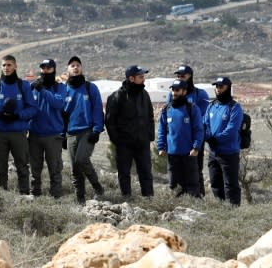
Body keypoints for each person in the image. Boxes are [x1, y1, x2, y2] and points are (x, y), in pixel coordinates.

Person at [0, 54, 37, 194]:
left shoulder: (23, 85)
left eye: (9, 65)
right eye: (4, 65)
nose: (6, 68)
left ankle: (24, 194)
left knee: (22, 166)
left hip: (18, 132)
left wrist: (18, 115)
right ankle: (1, 194)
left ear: (15, 66)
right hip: (0, 132)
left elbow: (32, 108)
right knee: (0, 167)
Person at [105, 65, 155, 198]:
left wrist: (150, 136)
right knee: (124, 173)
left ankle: (149, 198)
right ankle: (127, 198)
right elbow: (110, 121)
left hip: (142, 142)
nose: (143, 79)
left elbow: (150, 116)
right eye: (140, 77)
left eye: (143, 76)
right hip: (124, 144)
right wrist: (117, 140)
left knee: (145, 172)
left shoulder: (144, 94)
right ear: (131, 78)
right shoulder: (116, 96)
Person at [61, 56, 105, 203]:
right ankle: (80, 198)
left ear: (81, 68)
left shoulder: (90, 87)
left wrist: (97, 130)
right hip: (70, 133)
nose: (75, 67)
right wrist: (63, 135)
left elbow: (98, 109)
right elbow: (62, 114)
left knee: (81, 159)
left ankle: (98, 188)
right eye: (72, 65)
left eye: (78, 65)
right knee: (74, 168)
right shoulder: (63, 89)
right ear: (68, 69)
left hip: (87, 131)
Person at [166, 65, 210, 195]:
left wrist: (196, 139)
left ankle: (199, 197)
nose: (180, 78)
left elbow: (204, 118)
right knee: (176, 170)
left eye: (183, 75)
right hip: (178, 141)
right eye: (178, 76)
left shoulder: (200, 94)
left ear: (190, 76)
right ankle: (179, 197)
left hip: (195, 139)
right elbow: (169, 113)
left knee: (196, 169)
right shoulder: (172, 94)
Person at [27, 59, 67, 199]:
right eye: (43, 68)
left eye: (48, 68)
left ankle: (55, 199)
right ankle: (35, 196)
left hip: (53, 136)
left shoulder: (60, 87)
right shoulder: (34, 87)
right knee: (35, 170)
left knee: (55, 170)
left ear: (54, 69)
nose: (45, 70)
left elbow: (58, 103)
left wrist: (42, 90)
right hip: (34, 135)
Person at [157, 79, 203, 198]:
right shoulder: (166, 109)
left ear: (184, 91)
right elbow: (162, 129)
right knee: (174, 186)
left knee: (192, 186)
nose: (174, 93)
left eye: (177, 90)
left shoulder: (192, 108)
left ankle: (195, 210)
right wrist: (161, 147)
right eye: (173, 90)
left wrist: (196, 147)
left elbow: (199, 129)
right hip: (172, 155)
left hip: (189, 154)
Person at [205, 76, 243, 206]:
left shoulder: (234, 107)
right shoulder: (211, 106)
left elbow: (232, 129)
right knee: (215, 184)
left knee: (230, 185)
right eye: (216, 86)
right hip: (213, 153)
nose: (218, 89)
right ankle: (220, 210)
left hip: (229, 153)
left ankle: (233, 212)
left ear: (228, 88)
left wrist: (216, 139)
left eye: (221, 86)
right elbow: (205, 124)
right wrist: (208, 137)